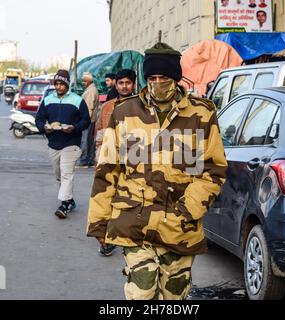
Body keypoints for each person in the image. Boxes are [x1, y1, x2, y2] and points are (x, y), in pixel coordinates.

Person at [87, 42, 227, 300]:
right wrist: (99, 222)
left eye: (164, 77)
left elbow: (213, 171)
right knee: (142, 292)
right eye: (152, 78)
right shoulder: (124, 113)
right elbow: (107, 171)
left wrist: (187, 211)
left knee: (174, 297)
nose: (158, 83)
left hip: (179, 226)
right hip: (133, 222)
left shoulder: (201, 114)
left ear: (176, 78)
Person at [35, 69, 90, 219]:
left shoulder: (77, 100)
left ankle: (64, 205)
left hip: (71, 143)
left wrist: (74, 128)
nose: (59, 87)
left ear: (67, 84)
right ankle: (70, 199)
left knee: (67, 173)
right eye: (57, 83)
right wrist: (44, 127)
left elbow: (86, 120)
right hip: (53, 143)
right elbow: (39, 119)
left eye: (62, 84)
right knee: (59, 175)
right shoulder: (47, 100)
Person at [93, 68, 136, 257]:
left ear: (134, 84)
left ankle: (129, 235)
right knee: (109, 198)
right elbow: (100, 133)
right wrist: (98, 159)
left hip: (135, 160)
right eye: (121, 83)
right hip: (110, 159)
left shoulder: (142, 105)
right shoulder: (107, 107)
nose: (124, 86)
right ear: (116, 84)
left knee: (130, 199)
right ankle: (108, 240)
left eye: (128, 83)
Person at [78, 72, 99, 168]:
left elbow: (89, 107)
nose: (83, 83)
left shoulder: (90, 91)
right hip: (90, 119)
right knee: (89, 140)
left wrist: (85, 121)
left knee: (85, 140)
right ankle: (89, 159)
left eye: (84, 81)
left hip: (88, 120)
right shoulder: (91, 89)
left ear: (88, 81)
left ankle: (84, 160)